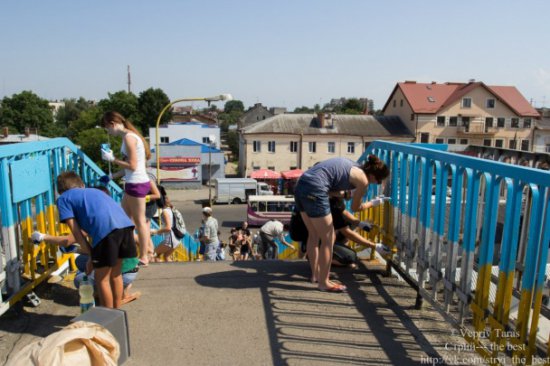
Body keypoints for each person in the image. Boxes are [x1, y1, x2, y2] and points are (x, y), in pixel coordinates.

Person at [294, 155, 389, 292]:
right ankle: (324, 282)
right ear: (373, 176)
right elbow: (356, 208)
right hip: (315, 189)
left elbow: (329, 185)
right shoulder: (363, 180)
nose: (377, 183)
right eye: (379, 181)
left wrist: (343, 195)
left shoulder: (353, 165)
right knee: (329, 238)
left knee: (313, 235)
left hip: (301, 185)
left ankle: (316, 275)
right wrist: (373, 203)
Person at [55, 171, 136, 308]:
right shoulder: (95, 191)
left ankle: (107, 317)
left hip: (107, 233)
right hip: (126, 228)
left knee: (101, 279)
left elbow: (75, 231)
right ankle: (117, 314)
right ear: (81, 184)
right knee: (116, 275)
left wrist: (91, 254)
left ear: (60, 190)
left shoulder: (63, 199)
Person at [101, 111, 152, 266]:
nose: (108, 132)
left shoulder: (129, 138)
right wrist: (111, 176)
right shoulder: (128, 137)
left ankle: (145, 255)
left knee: (139, 221)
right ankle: (129, 252)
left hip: (136, 184)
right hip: (133, 182)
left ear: (112, 123)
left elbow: (132, 165)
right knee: (124, 220)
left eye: (107, 128)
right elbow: (129, 169)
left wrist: (113, 159)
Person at [150, 190, 181, 262]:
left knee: (153, 254)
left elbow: (168, 228)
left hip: (170, 240)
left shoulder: (165, 212)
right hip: (177, 239)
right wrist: (161, 231)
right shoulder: (172, 209)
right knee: (166, 256)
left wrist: (155, 231)